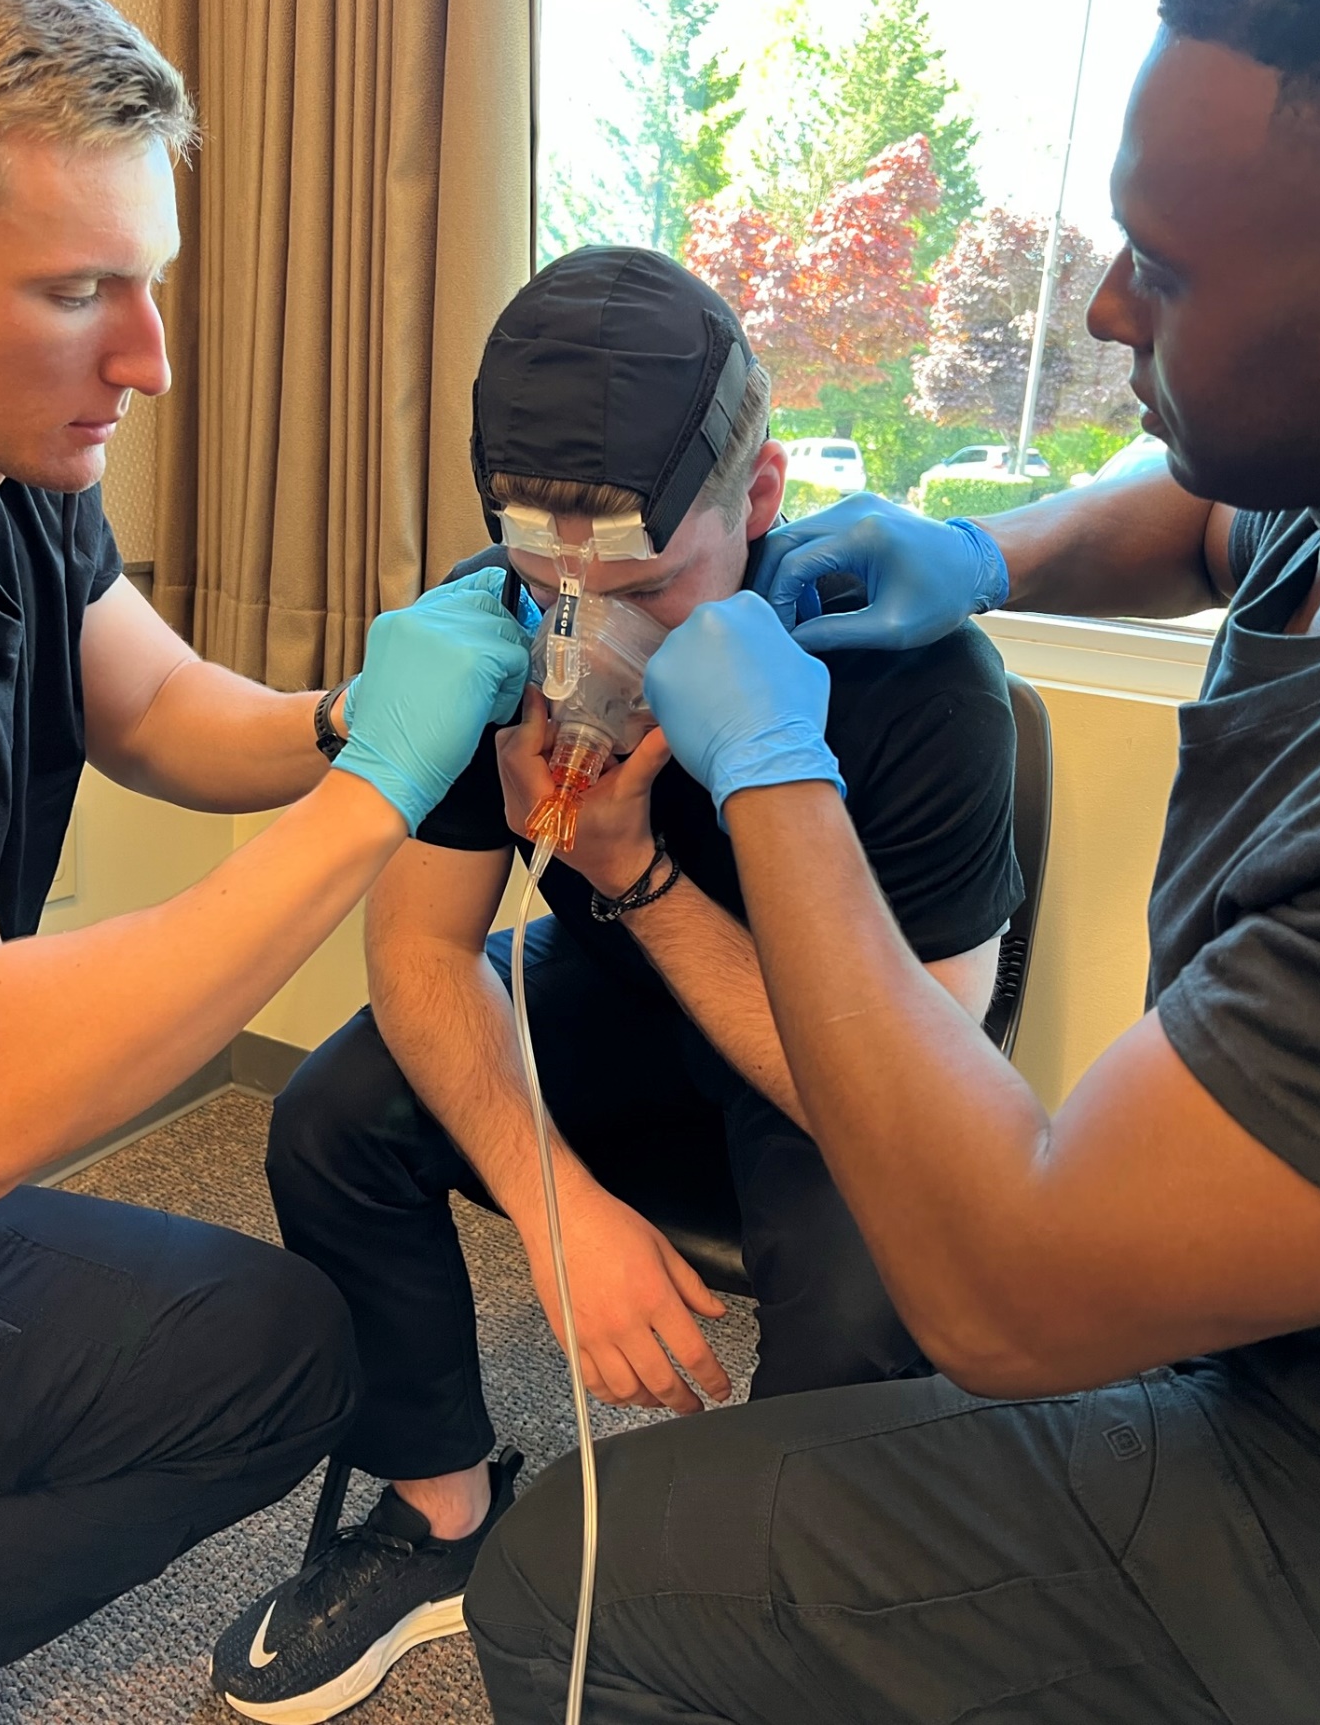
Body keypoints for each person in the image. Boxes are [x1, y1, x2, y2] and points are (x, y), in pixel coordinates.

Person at [466, 0, 1320, 1723]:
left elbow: (1010, 1289)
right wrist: (1003, 548)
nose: (1106, 312)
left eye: (1167, 274)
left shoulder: (900, 707)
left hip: (1283, 1492)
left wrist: (753, 784)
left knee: (576, 1588)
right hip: (1231, 1331)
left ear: (752, 498)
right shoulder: (1304, 511)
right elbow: (1206, 514)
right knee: (340, 1115)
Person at [210, 243, 1025, 1720]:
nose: (589, 648)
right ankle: (441, 1523)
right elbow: (417, 951)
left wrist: (636, 873)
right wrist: (554, 1201)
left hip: (841, 1052)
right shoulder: (485, 635)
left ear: (761, 498)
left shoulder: (925, 684)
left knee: (866, 1293)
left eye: (649, 587)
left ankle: (786, 1617)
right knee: (330, 1117)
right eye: (549, 589)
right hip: (607, 988)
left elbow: (907, 1101)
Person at [0, 0, 534, 1725]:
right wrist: (372, 797)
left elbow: (160, 704)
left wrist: (352, 708)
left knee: (274, 1354)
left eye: (150, 279)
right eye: (78, 291)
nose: (154, 359)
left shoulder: (11, 471)